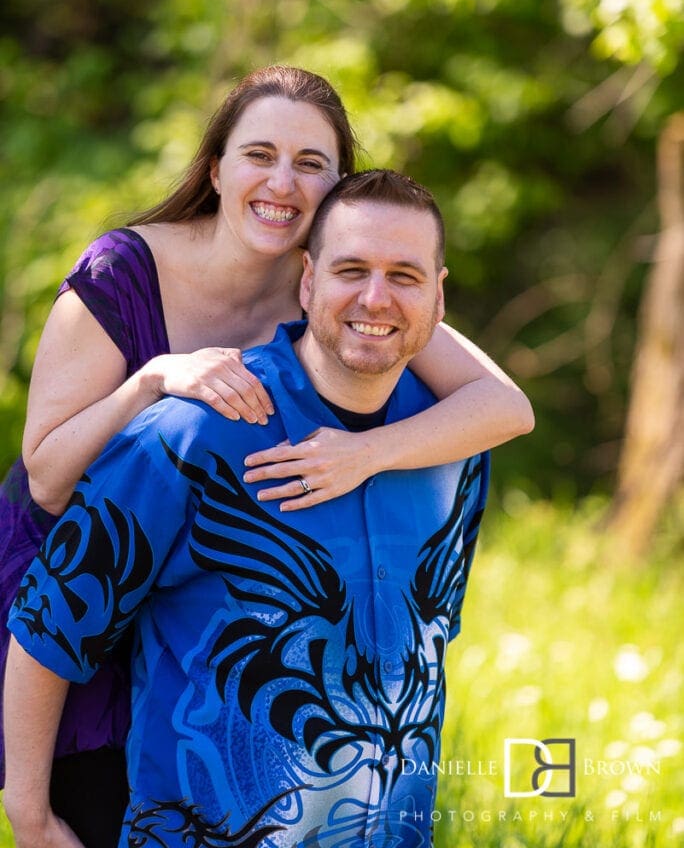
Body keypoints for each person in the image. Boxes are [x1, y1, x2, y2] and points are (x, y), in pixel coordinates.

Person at [0, 65, 533, 846]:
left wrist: (364, 454)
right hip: (73, 565)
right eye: (260, 155)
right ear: (216, 168)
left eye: (312, 164)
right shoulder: (124, 273)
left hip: (191, 595)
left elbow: (504, 407)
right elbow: (45, 477)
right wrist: (149, 382)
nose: (284, 182)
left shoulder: (340, 283)